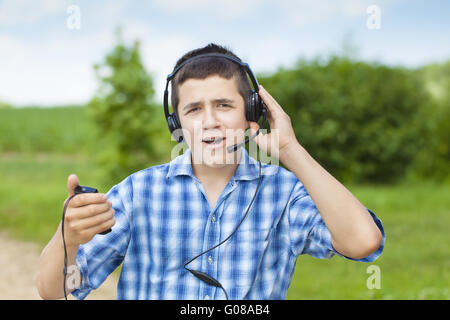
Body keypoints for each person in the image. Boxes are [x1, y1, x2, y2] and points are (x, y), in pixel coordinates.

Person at [37, 43, 385, 300]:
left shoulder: (285, 192)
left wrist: (290, 151)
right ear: (176, 122)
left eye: (224, 105)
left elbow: (363, 242)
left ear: (253, 111)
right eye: (194, 109)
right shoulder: (137, 192)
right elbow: (55, 293)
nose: (210, 121)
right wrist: (65, 239)